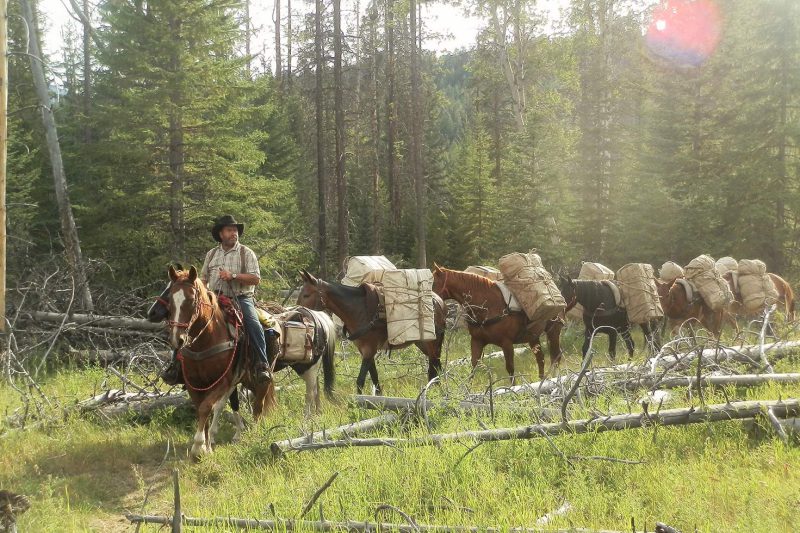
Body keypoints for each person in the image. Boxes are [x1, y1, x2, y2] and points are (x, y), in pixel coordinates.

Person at [161, 215, 271, 385]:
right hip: (214, 299)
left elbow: (256, 279)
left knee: (253, 324)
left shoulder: (246, 253)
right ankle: (176, 366)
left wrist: (232, 276)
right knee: (186, 322)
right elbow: (203, 279)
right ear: (221, 234)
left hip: (242, 298)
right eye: (229, 230)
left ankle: (262, 364)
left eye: (235, 230)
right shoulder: (211, 254)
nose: (234, 233)